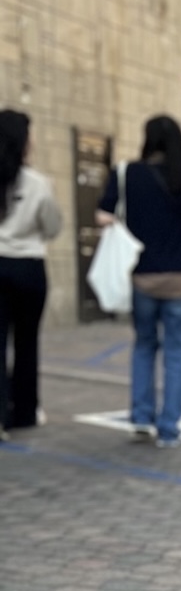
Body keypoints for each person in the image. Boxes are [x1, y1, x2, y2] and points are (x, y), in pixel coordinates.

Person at [96, 117, 181, 448]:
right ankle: (170, 428)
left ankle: (141, 418)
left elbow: (103, 216)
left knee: (144, 346)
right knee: (177, 354)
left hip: (143, 276)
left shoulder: (127, 174)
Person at [0, 111, 62, 438]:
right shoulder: (38, 183)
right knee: (26, 342)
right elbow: (52, 227)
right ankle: (24, 410)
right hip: (28, 267)